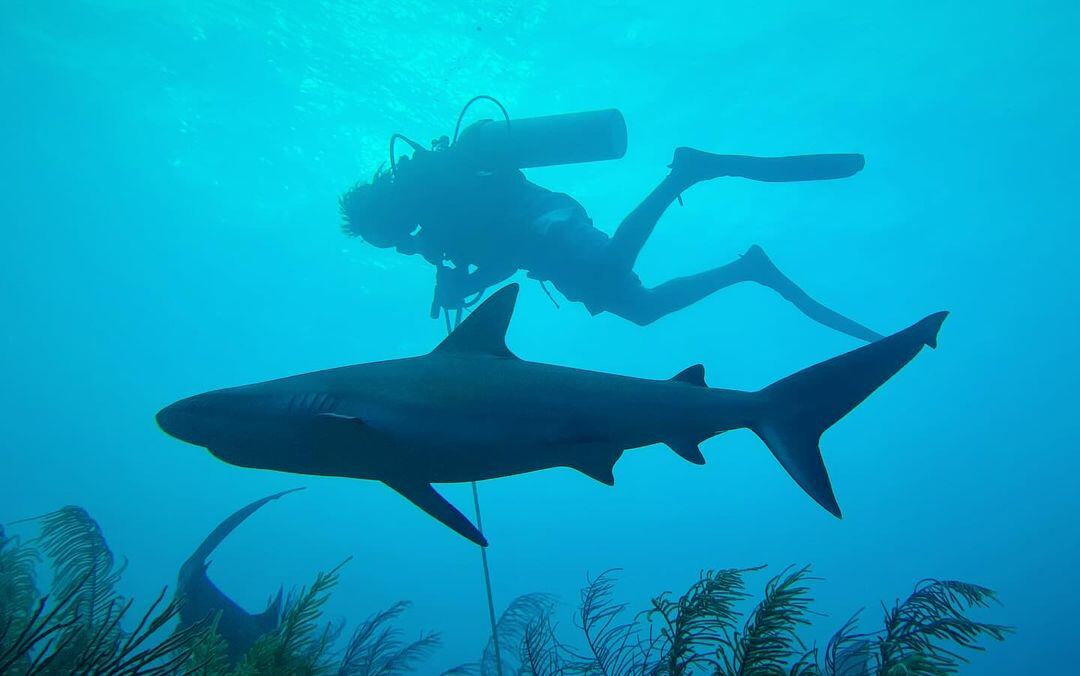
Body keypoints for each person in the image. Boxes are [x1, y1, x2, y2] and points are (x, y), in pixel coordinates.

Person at [339, 135, 882, 342]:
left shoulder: (440, 201)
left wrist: (471, 278)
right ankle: (748, 268)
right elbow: (487, 256)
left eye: (384, 240)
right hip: (541, 248)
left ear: (382, 220)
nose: (395, 247)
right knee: (641, 309)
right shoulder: (432, 222)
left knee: (611, 269)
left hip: (545, 225)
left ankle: (686, 173)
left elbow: (500, 250)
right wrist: (458, 278)